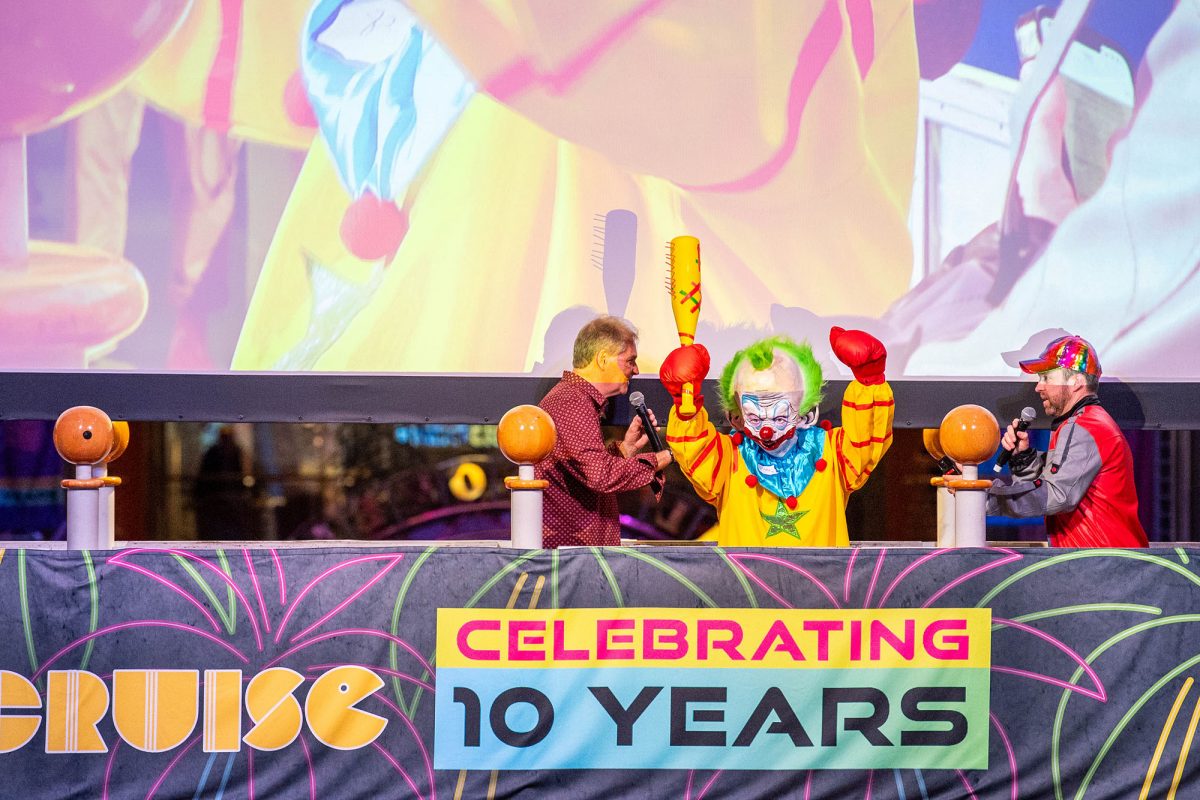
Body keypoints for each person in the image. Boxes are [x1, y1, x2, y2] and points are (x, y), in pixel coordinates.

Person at [658, 327, 893, 547]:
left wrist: (870, 380)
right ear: (736, 418)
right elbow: (694, 450)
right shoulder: (728, 459)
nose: (766, 431)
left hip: (818, 577)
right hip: (747, 578)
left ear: (805, 412)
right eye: (755, 417)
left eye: (780, 417)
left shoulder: (831, 453)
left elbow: (866, 439)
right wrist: (685, 405)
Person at [988, 335, 1147, 548]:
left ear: (1076, 382)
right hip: (1100, 560)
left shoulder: (1087, 426)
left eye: (1046, 378)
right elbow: (1054, 486)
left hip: (1103, 562)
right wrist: (1023, 458)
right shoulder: (1084, 423)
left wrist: (983, 498)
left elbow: (1056, 495)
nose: (1038, 387)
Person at [535, 316, 673, 547]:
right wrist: (664, 457)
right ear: (602, 359)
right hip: (573, 554)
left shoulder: (574, 399)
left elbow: (584, 473)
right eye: (630, 361)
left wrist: (626, 448)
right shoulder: (572, 403)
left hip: (577, 551)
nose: (636, 370)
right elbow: (600, 476)